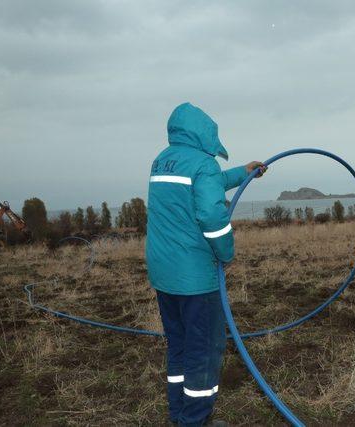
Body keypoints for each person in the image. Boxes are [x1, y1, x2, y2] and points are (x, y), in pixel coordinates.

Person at [146, 102, 267, 427]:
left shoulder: (163, 160)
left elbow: (204, 183)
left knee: (181, 345)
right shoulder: (204, 164)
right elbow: (212, 216)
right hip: (195, 278)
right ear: (205, 134)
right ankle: (196, 420)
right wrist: (226, 253)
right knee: (205, 349)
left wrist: (243, 172)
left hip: (164, 274)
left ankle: (179, 413)